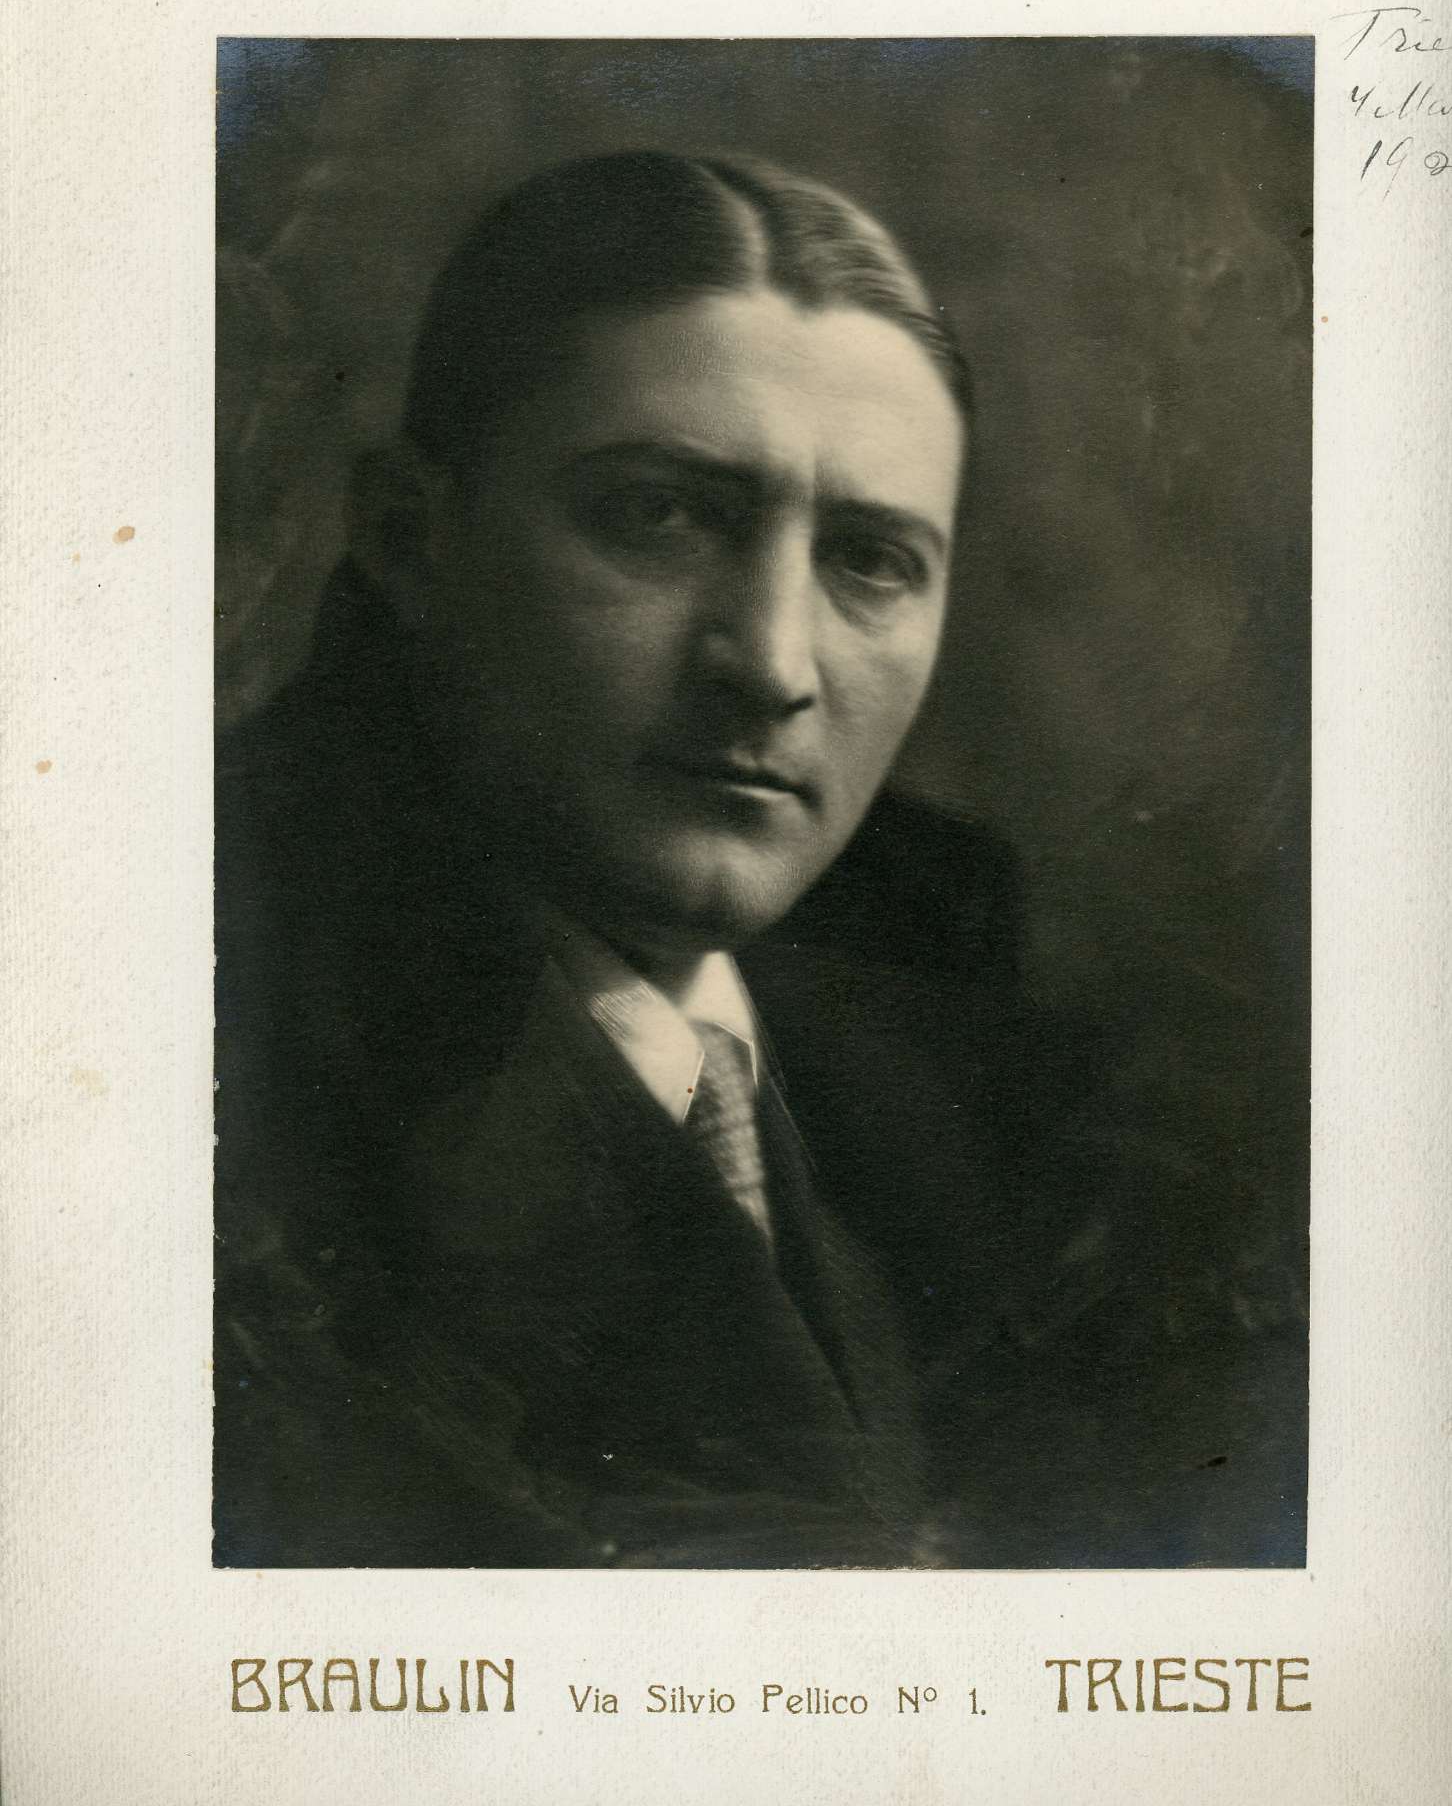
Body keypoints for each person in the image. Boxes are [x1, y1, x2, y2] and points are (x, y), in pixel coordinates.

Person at [213, 150, 1291, 1569]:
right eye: (659, 515)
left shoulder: (960, 1098)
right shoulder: (208, 1058)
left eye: (871, 560)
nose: (773, 664)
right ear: (411, 543)